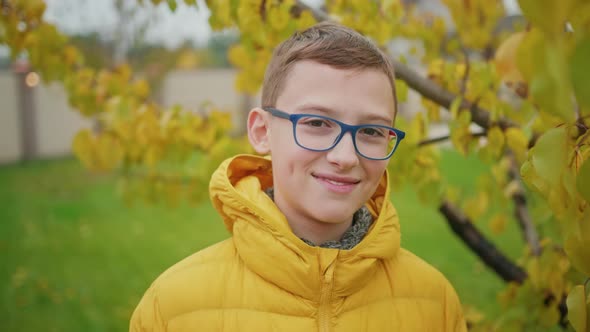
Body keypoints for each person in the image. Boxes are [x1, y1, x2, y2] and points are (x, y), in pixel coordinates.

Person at [130, 22, 467, 332]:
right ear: (262, 131)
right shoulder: (173, 308)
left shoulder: (435, 304)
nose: (346, 157)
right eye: (317, 123)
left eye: (370, 130)